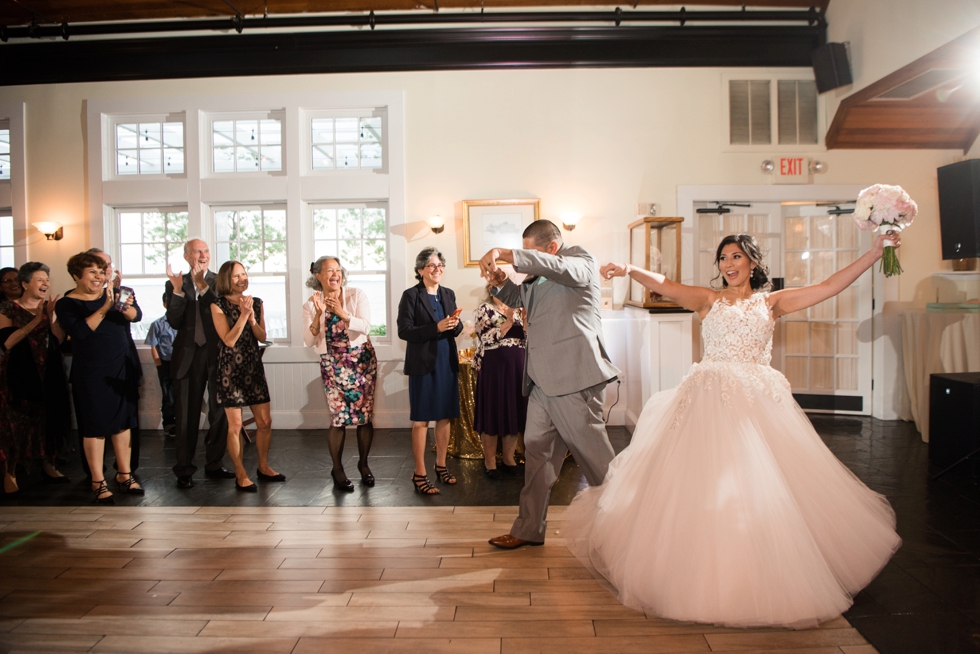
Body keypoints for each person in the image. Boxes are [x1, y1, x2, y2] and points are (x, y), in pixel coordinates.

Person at [563, 233, 903, 629]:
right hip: (705, 402)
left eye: (736, 256)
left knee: (760, 486)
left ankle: (761, 571)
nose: (728, 263)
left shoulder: (772, 302)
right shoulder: (709, 301)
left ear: (753, 263)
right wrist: (628, 269)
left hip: (757, 405)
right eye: (722, 257)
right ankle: (696, 572)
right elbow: (665, 285)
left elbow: (828, 287)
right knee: (700, 487)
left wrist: (874, 254)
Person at [478, 219, 619, 549]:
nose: (525, 258)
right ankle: (528, 528)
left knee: (597, 462)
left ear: (551, 248)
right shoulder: (539, 275)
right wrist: (501, 281)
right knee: (538, 459)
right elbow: (522, 300)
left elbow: (562, 269)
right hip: (541, 381)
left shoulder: (579, 260)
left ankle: (629, 529)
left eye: (531, 251)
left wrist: (507, 253)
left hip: (573, 379)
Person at [56, 252, 143, 503]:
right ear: (76, 275)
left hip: (122, 369)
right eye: (91, 271)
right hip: (92, 373)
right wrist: (105, 308)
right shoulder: (68, 303)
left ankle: (124, 475)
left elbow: (136, 316)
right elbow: (79, 333)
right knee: (95, 426)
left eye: (101, 270)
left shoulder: (117, 293)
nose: (98, 276)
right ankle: (97, 480)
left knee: (124, 423)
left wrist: (123, 305)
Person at [303, 256, 378, 492]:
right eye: (329, 271)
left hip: (361, 363)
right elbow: (308, 340)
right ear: (318, 275)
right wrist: (318, 314)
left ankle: (364, 465)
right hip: (332, 365)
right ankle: (337, 468)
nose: (335, 274)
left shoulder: (356, 295)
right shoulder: (310, 304)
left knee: (364, 417)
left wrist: (342, 313)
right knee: (338, 419)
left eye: (338, 270)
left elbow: (365, 326)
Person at [165, 239, 232, 489]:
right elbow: (174, 320)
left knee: (219, 415)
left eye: (206, 251)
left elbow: (221, 308)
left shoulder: (220, 280)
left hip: (217, 356)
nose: (202, 255)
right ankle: (184, 469)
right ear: (186, 256)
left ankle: (214, 464)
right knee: (185, 417)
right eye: (197, 251)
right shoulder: (175, 283)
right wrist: (178, 292)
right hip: (187, 358)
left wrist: (203, 286)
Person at [396, 247, 463, 495]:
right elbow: (404, 331)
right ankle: (420, 472)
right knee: (422, 418)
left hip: (447, 360)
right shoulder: (410, 295)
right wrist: (435, 327)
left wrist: (455, 325)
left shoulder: (448, 293)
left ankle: (441, 465)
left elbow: (454, 328)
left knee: (444, 416)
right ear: (420, 270)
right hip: (422, 362)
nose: (437, 269)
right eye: (432, 265)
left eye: (440, 265)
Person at [0, 262, 70, 498]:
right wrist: (35, 319)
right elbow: (7, 342)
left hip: (48, 371)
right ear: (25, 283)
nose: (45, 283)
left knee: (47, 418)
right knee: (15, 424)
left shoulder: (49, 307)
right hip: (17, 374)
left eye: (47, 279)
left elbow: (59, 339)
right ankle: (9, 473)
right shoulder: (8, 308)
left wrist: (49, 317)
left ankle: (48, 464)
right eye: (40, 279)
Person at [210, 260, 281, 492]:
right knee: (236, 425)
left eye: (244, 274)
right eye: (236, 276)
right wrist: (242, 316)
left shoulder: (257, 302)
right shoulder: (217, 304)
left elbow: (261, 335)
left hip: (253, 368)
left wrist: (251, 318)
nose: (242, 279)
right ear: (225, 280)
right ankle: (240, 473)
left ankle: (263, 466)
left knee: (265, 422)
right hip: (230, 371)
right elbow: (228, 340)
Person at [87, 248, 143, 476]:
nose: (106, 269)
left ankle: (126, 470)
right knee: (93, 420)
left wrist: (118, 294)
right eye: (100, 266)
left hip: (124, 359)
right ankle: (94, 471)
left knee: (127, 416)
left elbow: (136, 316)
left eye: (108, 265)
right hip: (93, 364)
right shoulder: (76, 296)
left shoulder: (123, 291)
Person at [473, 282, 527, 479]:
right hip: (494, 368)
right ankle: (490, 461)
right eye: (497, 288)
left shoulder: (520, 309)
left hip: (517, 367)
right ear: (490, 289)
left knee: (513, 409)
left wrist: (524, 322)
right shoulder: (484, 309)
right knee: (493, 411)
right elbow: (484, 337)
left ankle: (508, 458)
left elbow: (527, 337)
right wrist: (508, 323)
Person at [144, 292, 177, 436]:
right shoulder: (157, 324)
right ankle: (169, 423)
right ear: (164, 304)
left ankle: (183, 422)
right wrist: (159, 364)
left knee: (182, 394)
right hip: (166, 363)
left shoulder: (184, 323)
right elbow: (153, 345)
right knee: (168, 395)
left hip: (182, 364)